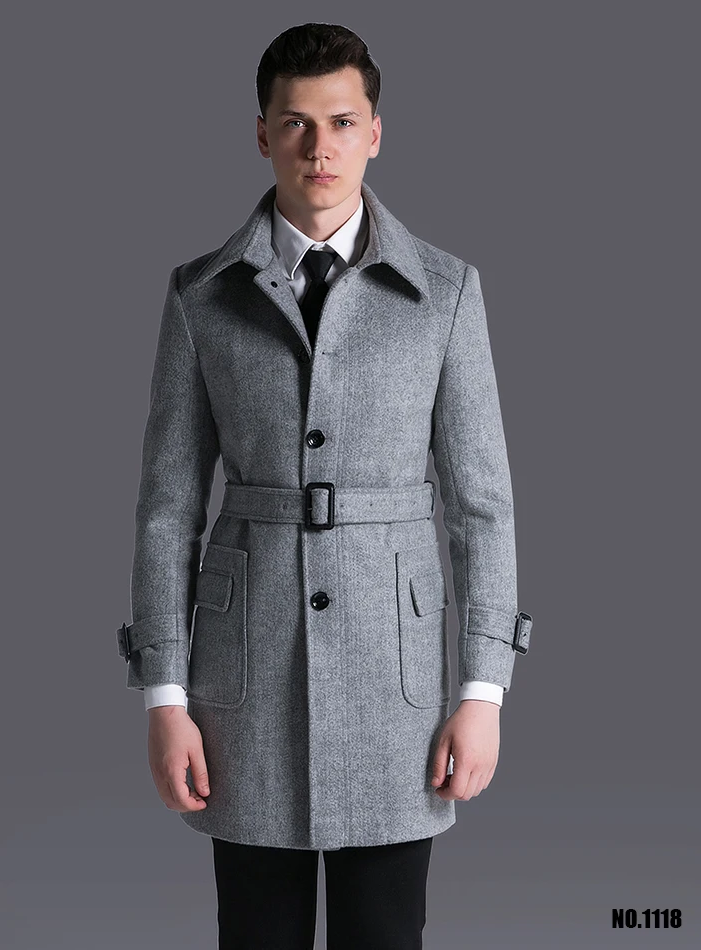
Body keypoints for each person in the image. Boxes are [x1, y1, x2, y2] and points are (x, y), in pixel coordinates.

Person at [116, 21, 533, 950]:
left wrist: (484, 691)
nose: (320, 147)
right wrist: (164, 698)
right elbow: (167, 511)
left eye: (342, 122)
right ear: (261, 133)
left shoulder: (446, 292)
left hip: (397, 688)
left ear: (375, 132)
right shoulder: (201, 295)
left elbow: (483, 508)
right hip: (241, 682)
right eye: (296, 123)